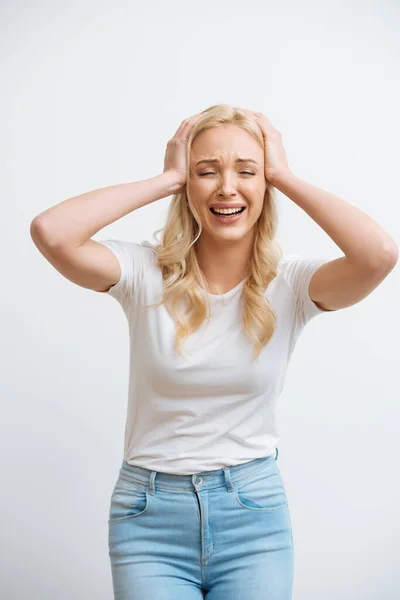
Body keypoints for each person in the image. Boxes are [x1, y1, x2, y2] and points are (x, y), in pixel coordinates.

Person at [30, 104, 397, 600]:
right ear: (188, 186)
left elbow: (378, 255)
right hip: (148, 519)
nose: (227, 187)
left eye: (247, 171)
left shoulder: (290, 284)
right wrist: (165, 179)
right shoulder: (143, 273)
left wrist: (283, 174)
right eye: (207, 172)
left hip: (254, 517)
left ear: (264, 185)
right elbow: (51, 232)